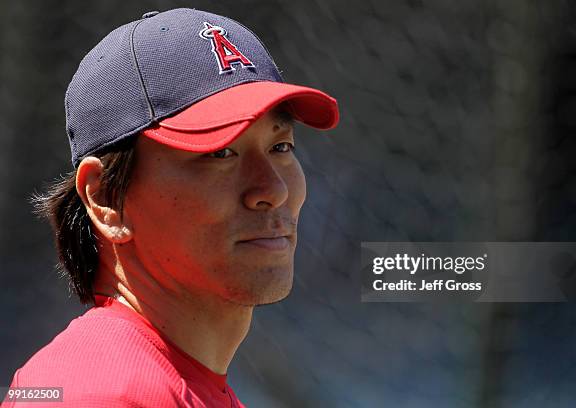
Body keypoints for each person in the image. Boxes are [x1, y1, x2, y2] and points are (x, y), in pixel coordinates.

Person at [2, 8, 338, 408]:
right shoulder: (97, 394)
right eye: (220, 152)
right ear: (106, 198)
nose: (273, 189)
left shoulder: (172, 383)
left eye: (280, 147)